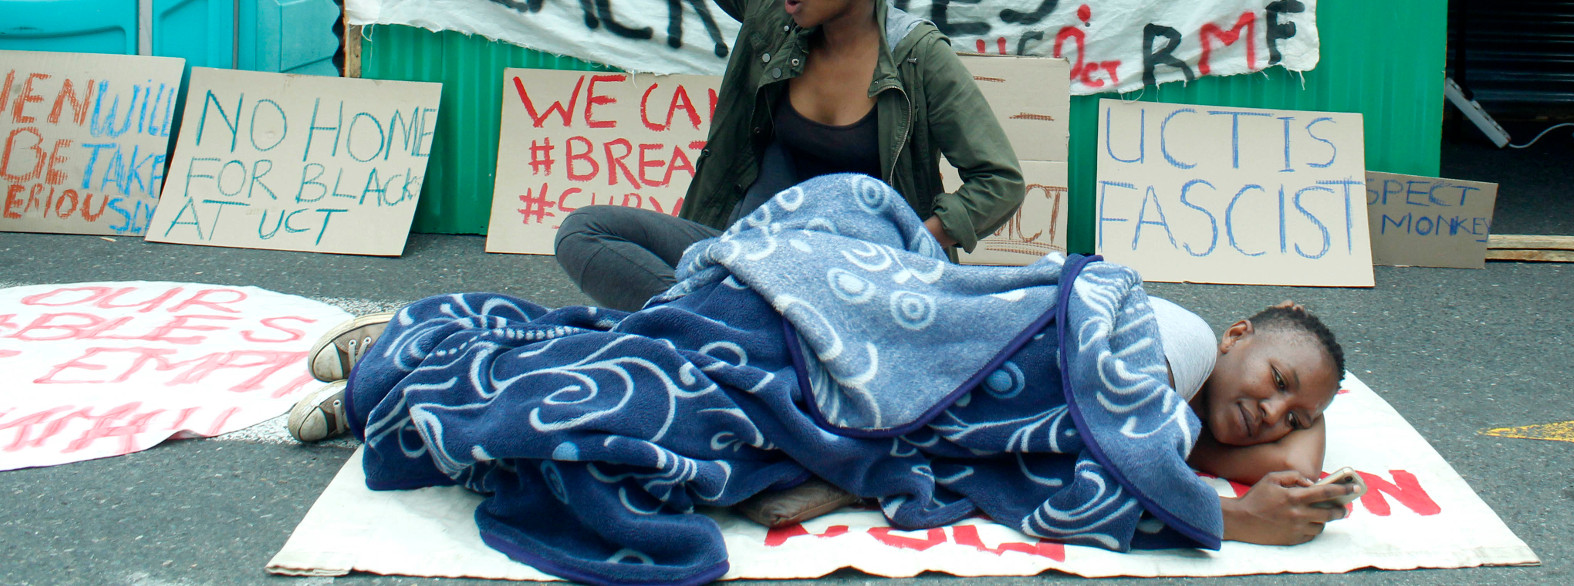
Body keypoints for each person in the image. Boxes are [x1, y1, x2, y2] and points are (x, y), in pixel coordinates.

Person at [281, 175, 1362, 584]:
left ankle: (410, 352)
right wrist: (1235, 523)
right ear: (1229, 332)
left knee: (658, 387)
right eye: (1274, 376)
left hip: (834, 290)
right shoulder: (1157, 336)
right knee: (656, 349)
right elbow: (1132, 455)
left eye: (1295, 411)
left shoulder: (1185, 409)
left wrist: (1271, 457)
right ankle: (408, 357)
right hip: (834, 289)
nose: (1275, 411)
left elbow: (1230, 453)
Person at [546, 0, 1025, 310]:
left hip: (863, 286)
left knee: (743, 308)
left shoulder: (918, 55)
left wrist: (912, 245)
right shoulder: (773, 6)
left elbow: (999, 182)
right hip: (753, 257)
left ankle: (719, 325)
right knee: (583, 232)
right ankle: (735, 323)